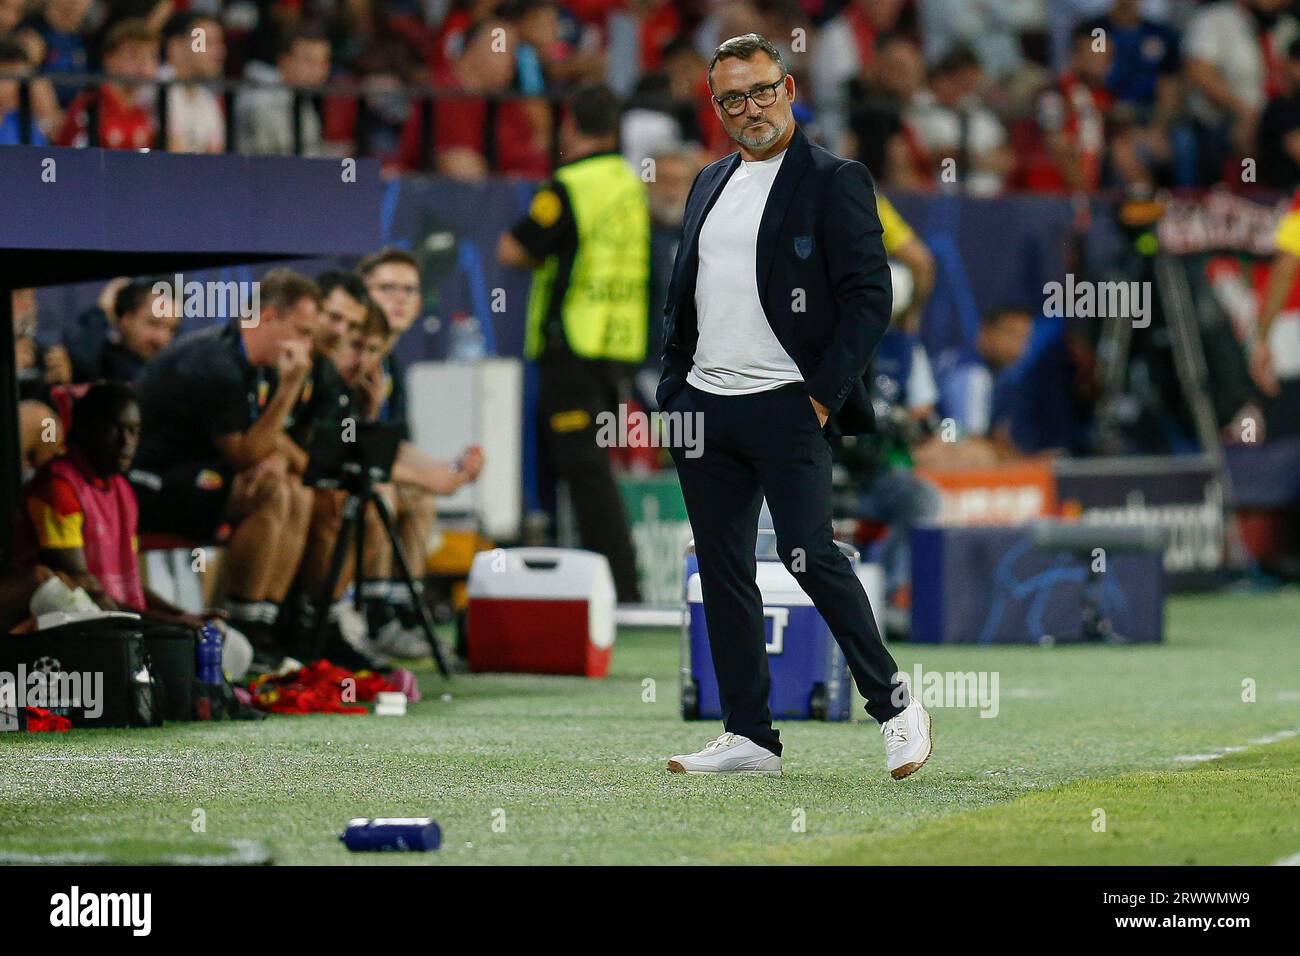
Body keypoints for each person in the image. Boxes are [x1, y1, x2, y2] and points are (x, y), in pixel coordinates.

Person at [656, 33, 931, 779]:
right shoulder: (709, 180)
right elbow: (686, 293)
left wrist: (819, 398)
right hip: (706, 404)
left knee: (811, 555)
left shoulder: (835, 178)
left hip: (787, 404)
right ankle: (751, 737)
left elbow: (871, 297)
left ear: (790, 86)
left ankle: (895, 704)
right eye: (733, 97)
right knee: (721, 569)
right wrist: (673, 388)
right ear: (716, 107)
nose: (752, 107)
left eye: (763, 89)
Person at [497, 82, 649, 605]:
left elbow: (514, 249)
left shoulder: (569, 184)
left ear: (570, 128)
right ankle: (592, 585)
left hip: (573, 344)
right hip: (617, 341)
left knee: (585, 472)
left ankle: (620, 590)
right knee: (589, 466)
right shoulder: (629, 182)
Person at [128, 269, 318, 665]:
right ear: (269, 318)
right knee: (271, 492)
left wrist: (282, 460)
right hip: (147, 484)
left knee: (297, 492)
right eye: (302, 331)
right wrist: (290, 387)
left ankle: (266, 627)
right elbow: (246, 453)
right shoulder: (215, 363)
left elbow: (265, 442)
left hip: (196, 474)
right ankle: (245, 628)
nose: (307, 346)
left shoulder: (247, 361)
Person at [359, 249, 484, 652]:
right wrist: (429, 475)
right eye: (386, 288)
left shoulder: (390, 363)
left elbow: (391, 443)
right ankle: (372, 617)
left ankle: (405, 612)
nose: (399, 298)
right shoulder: (352, 355)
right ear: (361, 294)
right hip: (332, 479)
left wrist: (448, 470)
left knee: (419, 497)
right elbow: (354, 447)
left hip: (368, 469)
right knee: (385, 492)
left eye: (409, 290)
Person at [16, 381, 214, 628]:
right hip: (70, 624)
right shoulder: (59, 487)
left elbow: (127, 583)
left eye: (133, 431)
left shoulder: (122, 490)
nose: (126, 442)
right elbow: (84, 594)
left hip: (123, 618)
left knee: (235, 647)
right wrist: (171, 624)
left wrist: (182, 615)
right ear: (86, 428)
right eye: (115, 429)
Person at [56, 18, 158, 150]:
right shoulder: (89, 107)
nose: (143, 64)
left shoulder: (146, 111)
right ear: (110, 60)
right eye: (134, 55)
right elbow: (69, 161)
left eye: (150, 56)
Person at [236, 26, 330, 156]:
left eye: (323, 62)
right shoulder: (261, 103)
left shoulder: (304, 98)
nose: (317, 70)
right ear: (284, 61)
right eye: (309, 61)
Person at [159, 10, 225, 154]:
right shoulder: (154, 88)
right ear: (176, 47)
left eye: (219, 43)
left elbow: (215, 158)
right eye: (205, 42)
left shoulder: (208, 100)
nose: (219, 51)